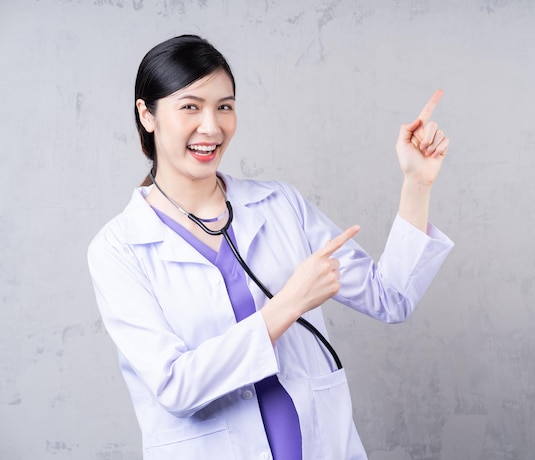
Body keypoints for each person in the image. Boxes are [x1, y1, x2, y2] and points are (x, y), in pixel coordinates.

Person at [87, 34, 454, 460]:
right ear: (146, 115)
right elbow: (175, 386)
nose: (211, 126)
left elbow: (391, 297)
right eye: (190, 106)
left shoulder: (280, 206)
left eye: (224, 106)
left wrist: (417, 184)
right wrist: (290, 303)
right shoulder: (119, 248)